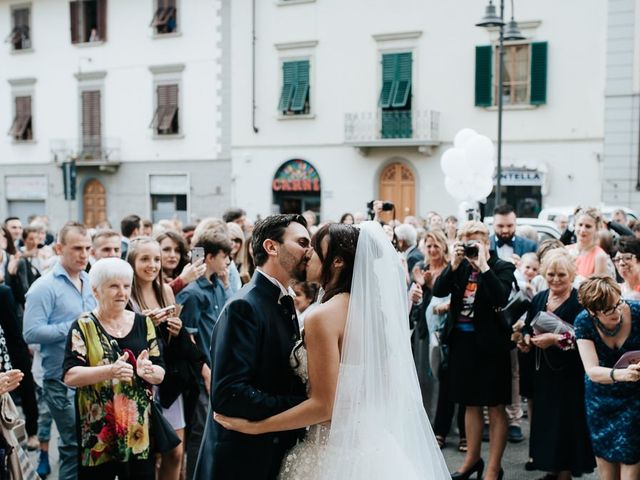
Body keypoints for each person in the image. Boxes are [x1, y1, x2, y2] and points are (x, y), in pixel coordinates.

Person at [214, 221, 450, 479]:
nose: (307, 254)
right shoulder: (371, 313)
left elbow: (324, 407)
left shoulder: (323, 316)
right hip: (371, 443)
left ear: (336, 262)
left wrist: (257, 427)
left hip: (330, 452)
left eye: (314, 248)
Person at [194, 214, 311, 479]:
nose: (309, 251)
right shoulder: (244, 306)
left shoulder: (283, 301)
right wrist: (304, 405)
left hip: (268, 451)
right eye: (302, 242)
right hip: (240, 460)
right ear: (272, 247)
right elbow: (229, 394)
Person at [63, 257, 165, 480]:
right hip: (97, 432)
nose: (122, 292)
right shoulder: (83, 326)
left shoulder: (143, 323)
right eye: (113, 286)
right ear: (96, 290)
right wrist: (110, 371)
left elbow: (160, 372)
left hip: (138, 430)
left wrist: (148, 371)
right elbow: (70, 375)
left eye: (126, 286)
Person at [433, 221, 515, 480]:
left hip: (491, 346)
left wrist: (483, 266)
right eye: (466, 240)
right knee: (468, 402)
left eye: (475, 240)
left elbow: (501, 297)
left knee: (495, 405)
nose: (470, 245)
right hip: (462, 343)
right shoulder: (459, 267)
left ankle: (493, 467)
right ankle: (471, 460)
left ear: (487, 241)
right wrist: (454, 265)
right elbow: (438, 291)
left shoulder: (502, 267)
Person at [23, 222, 96, 480]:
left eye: (87, 247)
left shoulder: (89, 280)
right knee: (72, 446)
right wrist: (75, 326)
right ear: (58, 248)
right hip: (58, 378)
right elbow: (30, 333)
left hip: (91, 376)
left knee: (89, 446)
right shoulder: (44, 287)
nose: (84, 254)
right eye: (77, 248)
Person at [519, 250, 595, 479]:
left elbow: (584, 337)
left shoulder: (578, 302)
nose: (555, 279)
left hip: (569, 374)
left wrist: (553, 339)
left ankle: (565, 472)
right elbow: (527, 325)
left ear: (571, 275)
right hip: (543, 372)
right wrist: (525, 339)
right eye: (551, 274)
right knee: (546, 421)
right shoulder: (540, 297)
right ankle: (551, 467)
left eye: (561, 274)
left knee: (566, 423)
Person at [126, 237, 189, 480]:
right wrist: (144, 325)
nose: (152, 265)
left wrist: (175, 329)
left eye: (156, 259)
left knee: (176, 451)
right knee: (149, 452)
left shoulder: (164, 290)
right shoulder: (127, 294)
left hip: (169, 378)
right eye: (145, 259)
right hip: (141, 381)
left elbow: (173, 344)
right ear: (132, 262)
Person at [175, 231, 232, 478]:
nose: (228, 261)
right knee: (199, 428)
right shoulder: (192, 293)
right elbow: (187, 338)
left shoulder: (219, 284)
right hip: (202, 371)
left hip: (219, 366)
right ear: (209, 257)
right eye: (224, 256)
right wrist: (204, 370)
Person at [575, 277, 640, 480]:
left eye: (618, 304)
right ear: (592, 311)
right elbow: (592, 370)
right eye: (608, 310)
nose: (617, 311)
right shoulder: (583, 322)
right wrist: (621, 374)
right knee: (605, 462)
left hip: (634, 398)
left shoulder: (637, 311)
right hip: (600, 399)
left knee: (631, 457)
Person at [412, 230, 466, 452]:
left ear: (444, 247)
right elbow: (417, 304)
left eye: (436, 246)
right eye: (429, 246)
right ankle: (428, 425)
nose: (432, 250)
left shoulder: (450, 269)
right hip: (426, 329)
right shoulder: (421, 270)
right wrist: (419, 290)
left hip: (447, 330)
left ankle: (447, 428)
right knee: (426, 377)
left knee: (445, 379)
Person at [156, 230, 206, 295]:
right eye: (166, 249)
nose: (172, 255)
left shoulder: (186, 273)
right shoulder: (152, 277)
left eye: (177, 250)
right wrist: (181, 280)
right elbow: (158, 296)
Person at [566, 207, 610, 281]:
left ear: (596, 229)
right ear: (575, 226)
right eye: (580, 225)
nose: (583, 230)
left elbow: (597, 289)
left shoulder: (600, 256)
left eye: (588, 226)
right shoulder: (566, 250)